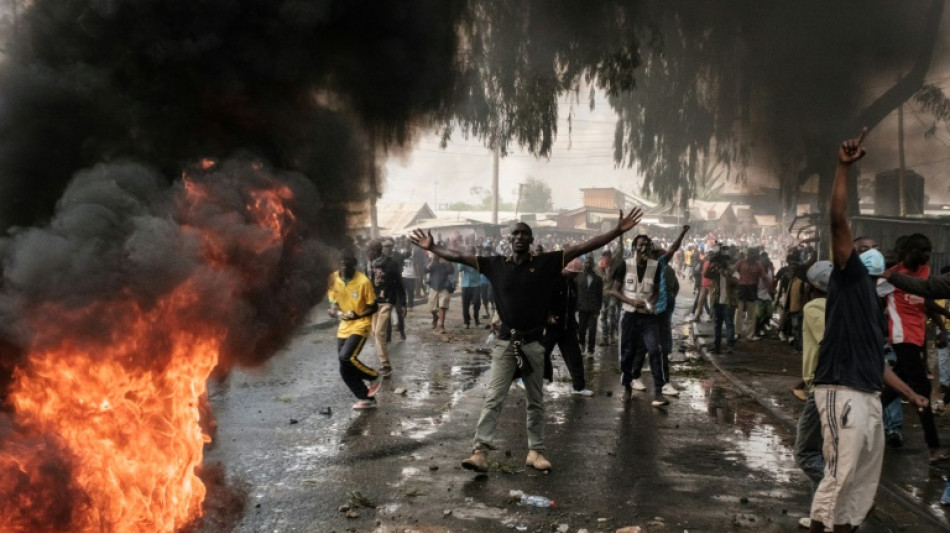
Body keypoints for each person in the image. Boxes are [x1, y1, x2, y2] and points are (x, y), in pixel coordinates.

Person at [410, 208, 643, 473]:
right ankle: (480, 452)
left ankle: (536, 451)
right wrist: (434, 247)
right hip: (505, 343)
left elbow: (584, 246)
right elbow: (460, 257)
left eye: (525, 234)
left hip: (534, 344)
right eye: (516, 234)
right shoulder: (495, 265)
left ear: (531, 240)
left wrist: (617, 231)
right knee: (494, 398)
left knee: (535, 400)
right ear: (509, 240)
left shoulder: (546, 263)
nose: (520, 237)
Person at [807, 130, 928, 533]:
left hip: (868, 394)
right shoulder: (850, 275)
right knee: (840, 475)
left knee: (861, 484)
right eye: (865, 245)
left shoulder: (876, 303)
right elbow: (837, 219)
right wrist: (844, 168)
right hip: (841, 390)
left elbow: (878, 363)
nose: (875, 248)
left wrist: (911, 394)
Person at [609, 234, 670, 406]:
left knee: (654, 350)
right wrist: (630, 301)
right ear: (634, 247)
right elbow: (614, 290)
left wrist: (650, 302)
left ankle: (658, 392)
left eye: (646, 245)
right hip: (629, 315)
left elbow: (657, 290)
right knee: (627, 352)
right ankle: (627, 387)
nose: (643, 248)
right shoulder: (625, 265)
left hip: (648, 317)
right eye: (640, 245)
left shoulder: (656, 266)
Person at [326, 248, 382, 410]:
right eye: (342, 265)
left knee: (346, 358)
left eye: (348, 265)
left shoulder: (363, 281)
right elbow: (333, 301)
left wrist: (357, 316)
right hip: (344, 326)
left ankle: (374, 376)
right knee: (344, 368)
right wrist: (333, 310)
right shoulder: (333, 279)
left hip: (360, 324)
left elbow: (373, 307)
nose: (344, 268)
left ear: (354, 265)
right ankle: (366, 398)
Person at [542, 258, 593, 396]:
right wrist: (548, 316)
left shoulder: (572, 283)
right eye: (573, 273)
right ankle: (528, 379)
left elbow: (571, 305)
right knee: (541, 354)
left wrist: (573, 323)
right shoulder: (552, 281)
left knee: (575, 356)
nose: (575, 276)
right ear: (566, 269)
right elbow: (542, 301)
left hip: (567, 327)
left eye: (576, 274)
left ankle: (579, 387)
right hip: (551, 327)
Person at [366, 239, 406, 378]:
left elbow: (399, 284)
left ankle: (385, 365)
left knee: (378, 334)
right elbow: (370, 284)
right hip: (374, 303)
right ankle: (383, 363)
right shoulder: (371, 264)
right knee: (374, 334)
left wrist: (403, 303)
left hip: (387, 302)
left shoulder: (391, 264)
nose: (388, 249)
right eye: (386, 246)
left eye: (390, 246)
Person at [575, 254, 603, 356]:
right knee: (581, 329)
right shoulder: (578, 277)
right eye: (586, 262)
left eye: (590, 263)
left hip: (593, 308)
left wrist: (598, 308)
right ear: (584, 264)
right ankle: (582, 344)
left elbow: (600, 295)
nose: (588, 264)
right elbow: (575, 292)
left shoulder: (598, 279)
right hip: (582, 308)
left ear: (593, 264)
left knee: (592, 330)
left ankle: (591, 349)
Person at [426, 254, 456, 333]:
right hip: (433, 286)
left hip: (444, 286)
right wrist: (432, 261)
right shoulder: (432, 260)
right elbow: (425, 270)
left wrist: (447, 263)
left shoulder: (447, 260)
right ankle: (435, 317)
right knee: (432, 309)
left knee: (442, 307)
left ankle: (441, 325)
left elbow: (452, 271)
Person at [458, 246, 483, 329]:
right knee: (465, 304)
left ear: (475, 252)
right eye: (469, 251)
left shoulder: (477, 260)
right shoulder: (464, 260)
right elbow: (459, 269)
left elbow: (481, 269)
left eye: (472, 251)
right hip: (465, 285)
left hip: (476, 284)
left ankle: (476, 319)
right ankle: (466, 321)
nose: (471, 252)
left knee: (477, 303)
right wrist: (464, 261)